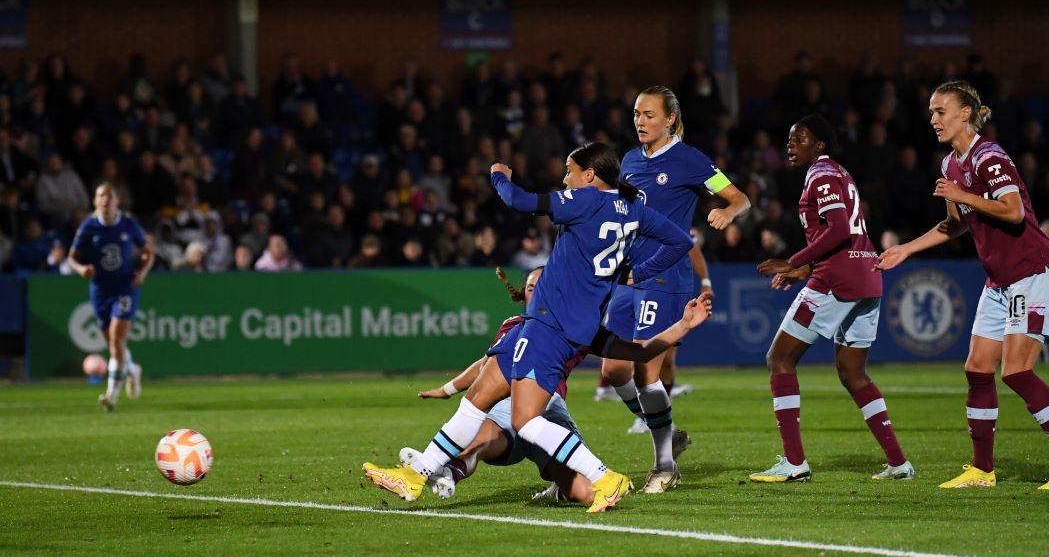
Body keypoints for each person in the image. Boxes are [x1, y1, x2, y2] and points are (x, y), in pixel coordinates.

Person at [362, 142, 697, 513]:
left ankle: (604, 477)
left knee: (525, 421)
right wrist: (637, 274)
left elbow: (520, 201)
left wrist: (498, 175)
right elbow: (681, 241)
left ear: (590, 175)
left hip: (552, 325)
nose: (565, 179)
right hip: (563, 323)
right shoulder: (636, 210)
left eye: (569, 171)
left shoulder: (586, 201)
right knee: (477, 399)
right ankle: (417, 475)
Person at [876, 81, 1049, 490]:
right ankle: (982, 470)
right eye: (931, 111)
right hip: (1000, 279)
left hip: (1032, 271)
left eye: (941, 111)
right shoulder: (949, 165)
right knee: (977, 368)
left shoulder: (989, 156)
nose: (933, 119)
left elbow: (1012, 212)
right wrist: (908, 248)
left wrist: (963, 194)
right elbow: (956, 224)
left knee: (1016, 371)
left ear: (964, 114)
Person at [601, 85, 750, 494]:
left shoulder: (689, 159)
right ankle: (669, 435)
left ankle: (664, 466)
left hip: (665, 278)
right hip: (627, 276)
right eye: (636, 114)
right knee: (613, 370)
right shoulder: (629, 161)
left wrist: (727, 211)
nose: (640, 121)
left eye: (649, 115)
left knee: (647, 369)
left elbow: (739, 196)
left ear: (670, 119)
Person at [751, 114, 913, 483]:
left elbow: (839, 229)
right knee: (853, 373)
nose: (791, 145)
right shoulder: (839, 172)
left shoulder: (821, 174)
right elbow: (846, 233)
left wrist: (794, 261)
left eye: (800, 138)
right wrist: (804, 270)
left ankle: (794, 463)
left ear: (820, 144)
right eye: (790, 139)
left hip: (837, 280)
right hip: (867, 276)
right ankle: (898, 463)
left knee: (779, 359)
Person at [409, 267, 593, 503]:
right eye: (530, 288)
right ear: (523, 294)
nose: (536, 293)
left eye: (542, 287)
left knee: (586, 492)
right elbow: (485, 367)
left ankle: (558, 492)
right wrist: (447, 390)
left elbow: (611, 342)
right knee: (481, 441)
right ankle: (450, 472)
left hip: (547, 410)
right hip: (510, 401)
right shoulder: (512, 325)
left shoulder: (573, 328)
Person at [67, 183, 154, 412]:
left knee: (116, 339)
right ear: (95, 201)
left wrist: (142, 272)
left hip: (125, 287)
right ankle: (132, 370)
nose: (105, 199)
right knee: (114, 344)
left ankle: (111, 396)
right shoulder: (88, 227)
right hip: (100, 291)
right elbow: (72, 257)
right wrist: (80, 269)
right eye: (100, 195)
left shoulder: (128, 224)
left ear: (118, 200)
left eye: (109, 195)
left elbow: (148, 251)